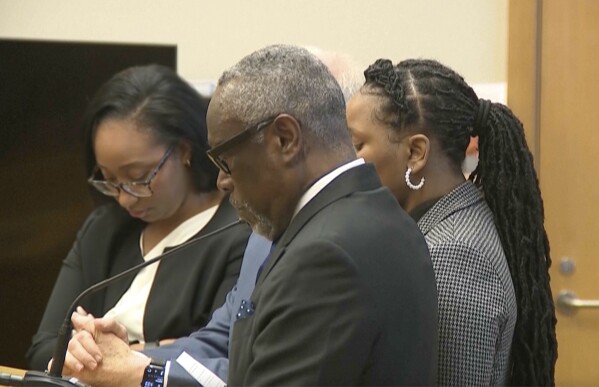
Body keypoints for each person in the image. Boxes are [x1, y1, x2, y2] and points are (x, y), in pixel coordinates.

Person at [56, 44, 439, 386]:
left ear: (285, 139)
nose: (222, 181)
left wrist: (142, 377)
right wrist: (128, 359)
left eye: (226, 160)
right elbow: (230, 345)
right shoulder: (361, 215)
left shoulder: (327, 253)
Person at [346, 58, 557, 385]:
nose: (347, 159)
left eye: (358, 144)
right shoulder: (441, 225)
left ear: (415, 153)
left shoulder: (453, 255)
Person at [26, 64, 251, 371]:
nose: (124, 197)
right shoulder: (105, 228)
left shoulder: (240, 232)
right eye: (108, 179)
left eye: (138, 177)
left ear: (185, 150)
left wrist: (116, 355)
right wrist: (86, 353)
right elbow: (42, 348)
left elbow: (217, 357)